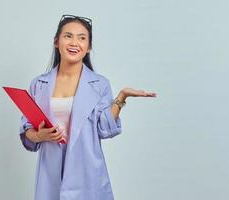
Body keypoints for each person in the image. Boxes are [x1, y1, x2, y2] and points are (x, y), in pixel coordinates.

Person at [19, 14, 156, 200]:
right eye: (68, 36)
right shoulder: (39, 84)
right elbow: (27, 130)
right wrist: (39, 135)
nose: (74, 42)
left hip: (87, 174)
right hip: (50, 173)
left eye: (82, 38)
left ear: (88, 47)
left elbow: (105, 129)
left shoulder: (99, 84)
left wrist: (121, 97)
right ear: (56, 42)